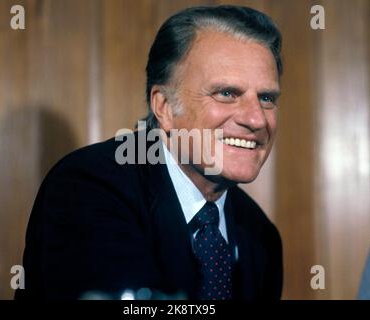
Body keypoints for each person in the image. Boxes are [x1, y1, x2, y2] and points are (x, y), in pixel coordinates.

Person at [16, 5, 283, 300]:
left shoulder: (261, 237)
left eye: (267, 98)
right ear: (165, 108)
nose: (257, 119)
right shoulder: (88, 187)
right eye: (227, 93)